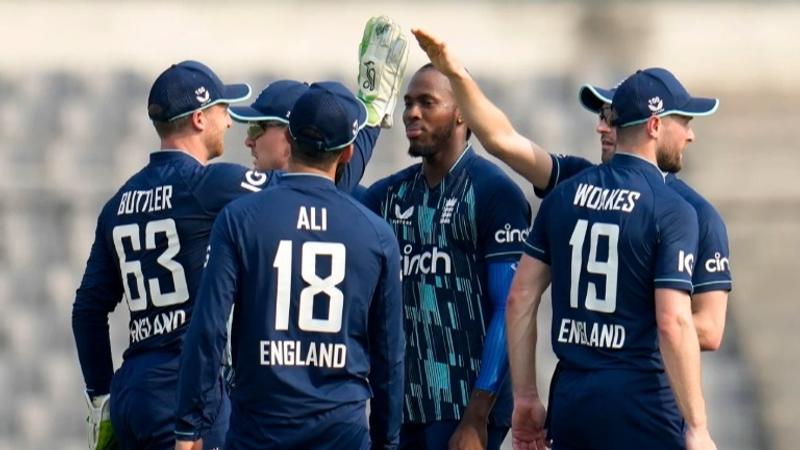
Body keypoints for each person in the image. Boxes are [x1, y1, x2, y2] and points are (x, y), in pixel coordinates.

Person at [411, 29, 731, 351]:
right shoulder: (577, 184)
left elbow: (709, 328)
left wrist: (614, 323)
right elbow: (503, 141)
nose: (601, 126)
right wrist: (455, 74)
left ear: (649, 125)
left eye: (612, 117)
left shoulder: (697, 215)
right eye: (601, 116)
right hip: (581, 388)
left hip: (645, 389)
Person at [174, 81, 404, 450]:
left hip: (259, 431)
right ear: (347, 154)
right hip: (341, 432)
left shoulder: (240, 217)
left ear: (290, 140)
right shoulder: (375, 234)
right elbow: (390, 357)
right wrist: (388, 442)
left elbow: (208, 329)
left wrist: (189, 428)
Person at [506, 68, 719, 450]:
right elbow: (673, 322)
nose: (690, 133)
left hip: (572, 401)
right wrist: (698, 425)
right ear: (654, 125)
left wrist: (524, 398)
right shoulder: (672, 209)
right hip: (642, 404)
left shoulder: (562, 196)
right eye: (683, 121)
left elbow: (520, 298)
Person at [72, 60, 257, 450]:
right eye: (223, 109)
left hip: (132, 393)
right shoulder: (209, 184)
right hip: (186, 391)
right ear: (199, 118)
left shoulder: (118, 202)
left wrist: (101, 396)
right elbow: (306, 188)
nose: (229, 121)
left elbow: (88, 310)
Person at [362, 63, 531, 450]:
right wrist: (367, 113)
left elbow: (509, 308)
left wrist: (477, 415)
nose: (412, 113)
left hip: (463, 408)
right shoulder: (388, 196)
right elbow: (333, 202)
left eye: (426, 102)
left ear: (461, 113)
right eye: (408, 103)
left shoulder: (494, 193)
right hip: (400, 408)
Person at [230, 15, 409, 189]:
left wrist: (371, 116)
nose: (248, 141)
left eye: (256, 128)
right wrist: (371, 116)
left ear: (290, 135)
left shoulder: (232, 190)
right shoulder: (343, 190)